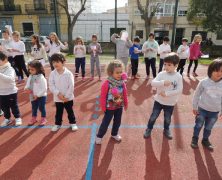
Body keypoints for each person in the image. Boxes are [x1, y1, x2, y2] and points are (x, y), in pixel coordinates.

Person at [144, 53, 183, 139]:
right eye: (165, 64)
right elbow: (153, 83)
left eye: (169, 65)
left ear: (176, 65)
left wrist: (167, 94)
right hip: (159, 101)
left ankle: (166, 129)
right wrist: (162, 82)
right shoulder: (161, 74)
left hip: (170, 103)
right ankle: (149, 128)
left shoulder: (178, 76)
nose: (166, 67)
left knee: (167, 119)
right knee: (153, 116)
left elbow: (179, 90)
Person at [191, 59, 222, 151]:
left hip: (214, 112)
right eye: (216, 70)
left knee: (209, 127)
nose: (219, 73)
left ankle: (205, 140)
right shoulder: (204, 82)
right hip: (202, 109)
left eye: (221, 71)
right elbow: (196, 95)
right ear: (211, 70)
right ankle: (195, 138)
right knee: (198, 125)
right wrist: (194, 107)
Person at [95, 60, 128, 144]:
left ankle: (114, 133)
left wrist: (126, 103)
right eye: (117, 72)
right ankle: (99, 136)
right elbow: (102, 96)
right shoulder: (107, 84)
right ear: (110, 72)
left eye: (121, 72)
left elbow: (125, 93)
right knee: (105, 123)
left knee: (117, 121)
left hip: (119, 106)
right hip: (109, 108)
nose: (120, 74)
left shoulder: (122, 83)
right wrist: (103, 107)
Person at [49, 53, 78, 132]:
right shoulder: (52, 73)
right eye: (53, 62)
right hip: (58, 98)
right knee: (58, 112)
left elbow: (71, 86)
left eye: (57, 62)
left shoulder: (68, 74)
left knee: (70, 111)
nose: (55, 64)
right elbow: (51, 85)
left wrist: (66, 97)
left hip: (68, 98)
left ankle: (73, 123)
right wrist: (58, 94)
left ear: (63, 62)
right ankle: (57, 124)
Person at [0, 52, 22, 127]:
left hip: (11, 92)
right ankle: (7, 118)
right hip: (1, 92)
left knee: (14, 106)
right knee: (4, 107)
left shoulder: (10, 69)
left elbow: (10, 79)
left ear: (5, 59)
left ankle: (17, 118)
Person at [24, 60, 47, 126]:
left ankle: (43, 118)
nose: (30, 71)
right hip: (32, 95)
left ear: (38, 69)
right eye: (29, 69)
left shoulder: (41, 77)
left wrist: (38, 95)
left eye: (32, 70)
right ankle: (34, 118)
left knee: (41, 107)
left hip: (41, 96)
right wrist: (26, 88)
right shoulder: (30, 76)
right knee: (34, 108)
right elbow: (28, 84)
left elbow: (44, 89)